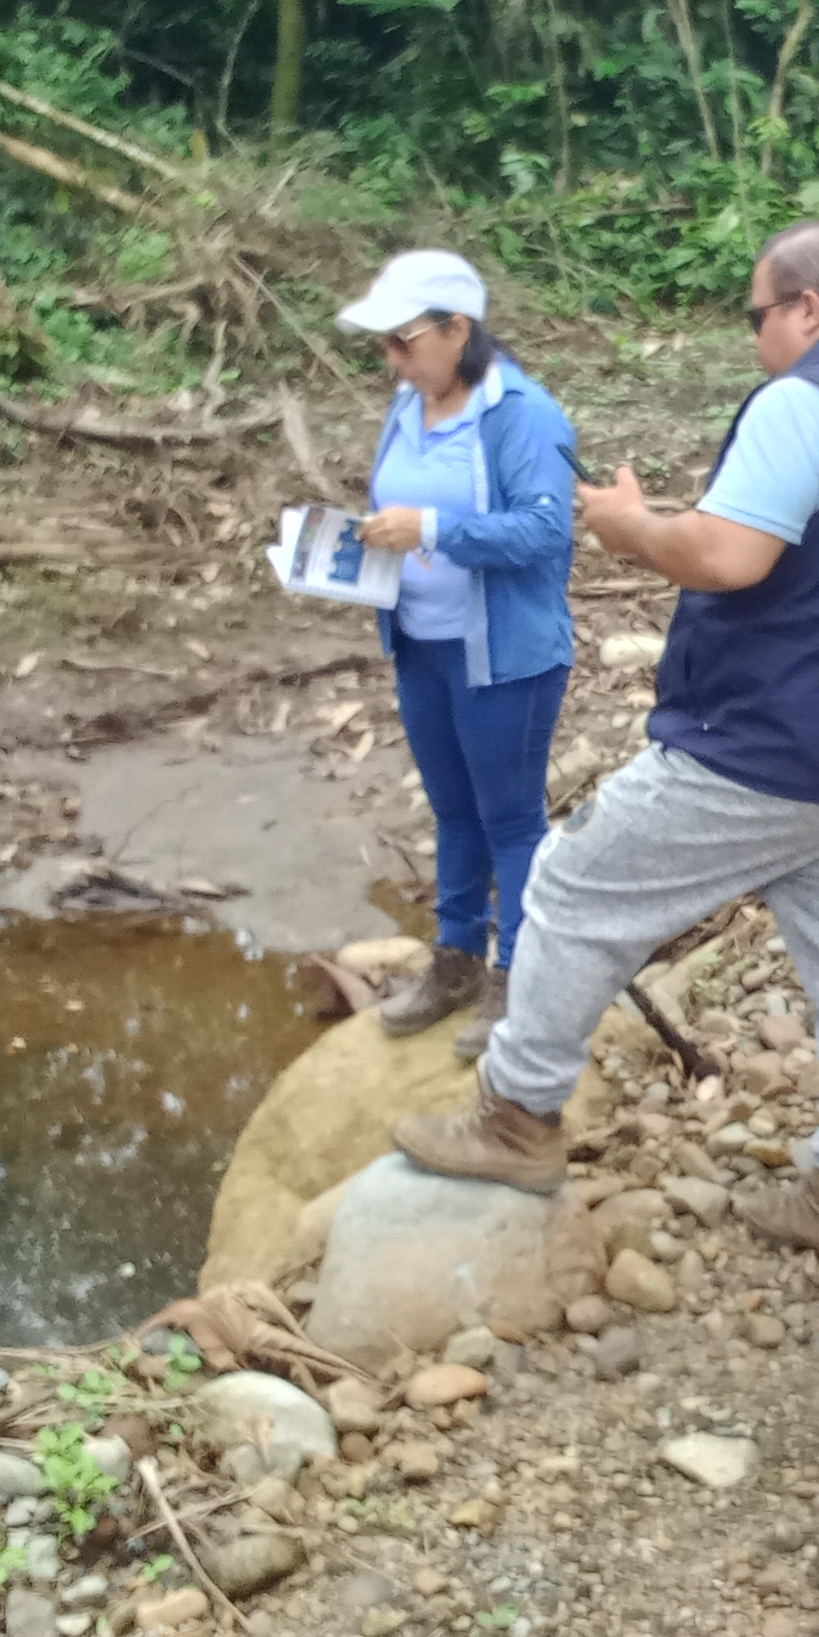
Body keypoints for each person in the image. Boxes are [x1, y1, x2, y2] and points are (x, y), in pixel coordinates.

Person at [393, 223, 819, 1276]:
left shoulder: (806, 402)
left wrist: (632, 526)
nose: (757, 341)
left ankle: (517, 1118)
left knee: (570, 887)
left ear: (810, 307)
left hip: (758, 748)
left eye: (758, 318)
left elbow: (725, 556)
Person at [338, 250, 576, 1056]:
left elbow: (545, 530)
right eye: (384, 345)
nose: (393, 360)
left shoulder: (522, 415)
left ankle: (519, 976)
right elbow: (394, 507)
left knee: (510, 817)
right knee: (453, 811)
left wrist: (432, 530)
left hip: (504, 653)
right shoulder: (408, 406)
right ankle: (456, 959)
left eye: (404, 342)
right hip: (421, 642)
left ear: (457, 330)